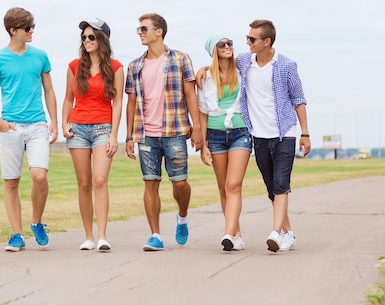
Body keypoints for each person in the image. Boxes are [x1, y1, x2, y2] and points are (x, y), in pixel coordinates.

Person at [196, 19, 310, 253]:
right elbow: (218, 70)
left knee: (273, 184)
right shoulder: (245, 62)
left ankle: (275, 233)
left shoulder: (284, 66)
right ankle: (282, 232)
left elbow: (298, 99)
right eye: (246, 38)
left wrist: (305, 133)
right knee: (270, 186)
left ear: (266, 41)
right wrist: (205, 68)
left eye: (251, 39)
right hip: (255, 134)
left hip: (279, 131)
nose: (244, 43)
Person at [125, 13, 204, 251]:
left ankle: (182, 215)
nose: (140, 32)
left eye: (144, 28)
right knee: (151, 183)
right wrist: (129, 136)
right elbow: (131, 102)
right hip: (146, 133)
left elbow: (191, 94)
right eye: (139, 29)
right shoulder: (135, 65)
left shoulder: (180, 59)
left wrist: (197, 127)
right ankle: (155, 235)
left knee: (180, 183)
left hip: (175, 130)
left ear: (159, 31)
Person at [0, 7, 58, 252]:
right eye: (28, 28)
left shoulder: (40, 56)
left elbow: (49, 90)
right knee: (11, 182)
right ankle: (17, 235)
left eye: (33, 26)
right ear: (13, 31)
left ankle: (37, 222)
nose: (32, 31)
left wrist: (53, 122)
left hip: (37, 124)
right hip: (10, 127)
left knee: (39, 175)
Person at [62, 18, 124, 252]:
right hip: (77, 129)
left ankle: (102, 236)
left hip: (102, 129)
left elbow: (117, 102)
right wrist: (64, 123)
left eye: (91, 37)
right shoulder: (74, 66)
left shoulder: (116, 67)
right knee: (84, 183)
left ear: (102, 39)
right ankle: (88, 236)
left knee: (100, 179)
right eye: (84, 37)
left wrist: (114, 134)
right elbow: (69, 98)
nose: (86, 41)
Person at [197, 34, 252, 252]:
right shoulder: (206, 77)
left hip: (240, 132)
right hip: (216, 135)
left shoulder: (242, 70)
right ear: (214, 50)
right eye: (222, 44)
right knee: (223, 188)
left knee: (233, 185)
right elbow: (202, 111)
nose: (228, 46)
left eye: (230, 43)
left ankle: (228, 233)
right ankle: (235, 234)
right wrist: (203, 144)